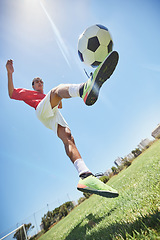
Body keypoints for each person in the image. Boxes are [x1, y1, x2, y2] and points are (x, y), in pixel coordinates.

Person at [6, 51, 119, 198]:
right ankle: (83, 88)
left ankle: (85, 176)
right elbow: (11, 93)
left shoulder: (48, 98)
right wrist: (10, 73)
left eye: (41, 81)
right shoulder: (28, 93)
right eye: (36, 81)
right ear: (33, 86)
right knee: (57, 90)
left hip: (52, 114)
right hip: (41, 109)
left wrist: (60, 98)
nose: (39, 82)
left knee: (68, 138)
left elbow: (59, 106)